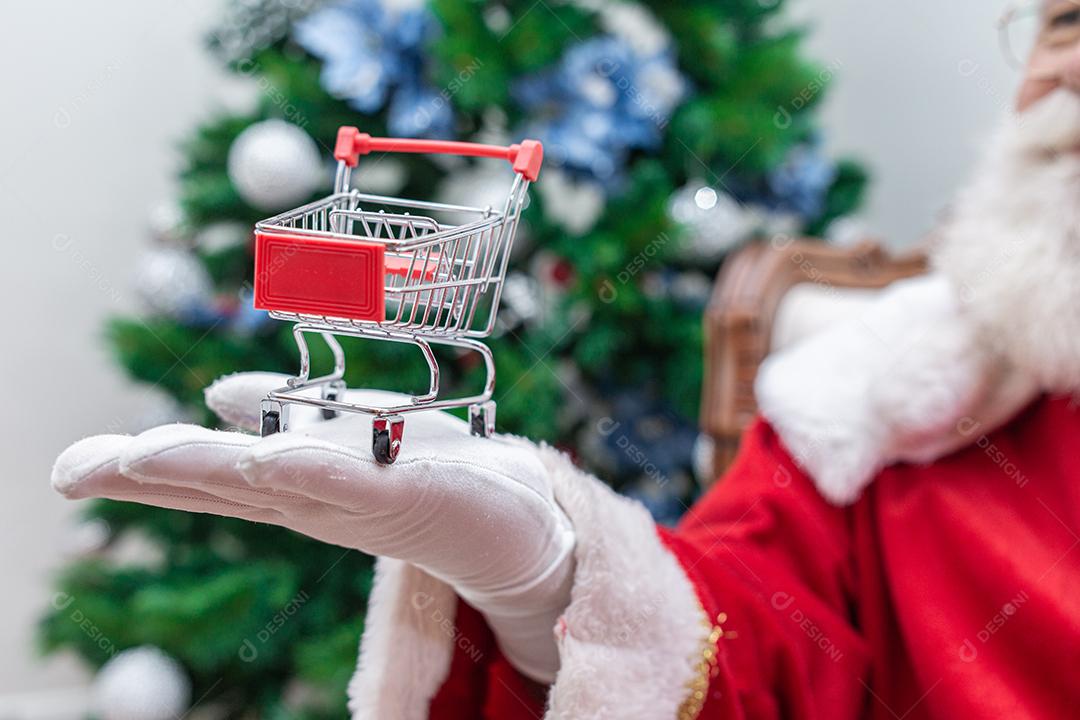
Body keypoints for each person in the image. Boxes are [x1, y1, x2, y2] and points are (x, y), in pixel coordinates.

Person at [51, 2, 1080, 718]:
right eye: (1063, 24)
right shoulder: (886, 401)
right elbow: (757, 641)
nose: (1073, 65)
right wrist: (559, 584)